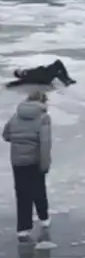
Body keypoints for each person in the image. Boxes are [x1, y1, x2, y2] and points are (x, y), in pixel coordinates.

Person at [2, 90, 52, 241]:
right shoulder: (44, 118)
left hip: (17, 161)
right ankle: (44, 218)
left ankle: (23, 229)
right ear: (43, 101)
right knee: (38, 189)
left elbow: (5, 135)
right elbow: (45, 143)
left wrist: (19, 142)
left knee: (22, 193)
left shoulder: (16, 116)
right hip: (34, 161)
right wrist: (45, 164)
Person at [6, 59, 75, 88]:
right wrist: (9, 84)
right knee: (57, 68)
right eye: (18, 71)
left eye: (19, 70)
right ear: (18, 74)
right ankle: (66, 80)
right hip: (45, 76)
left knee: (58, 64)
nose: (20, 70)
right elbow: (18, 82)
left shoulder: (26, 72)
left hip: (45, 71)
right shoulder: (24, 78)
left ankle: (67, 79)